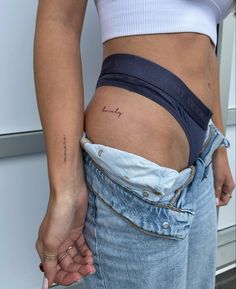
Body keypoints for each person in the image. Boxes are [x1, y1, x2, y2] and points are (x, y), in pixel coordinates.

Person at [33, 1, 235, 288]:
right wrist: (65, 190)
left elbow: (202, 40)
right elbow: (59, 21)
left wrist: (220, 150)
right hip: (137, 170)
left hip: (200, 163)